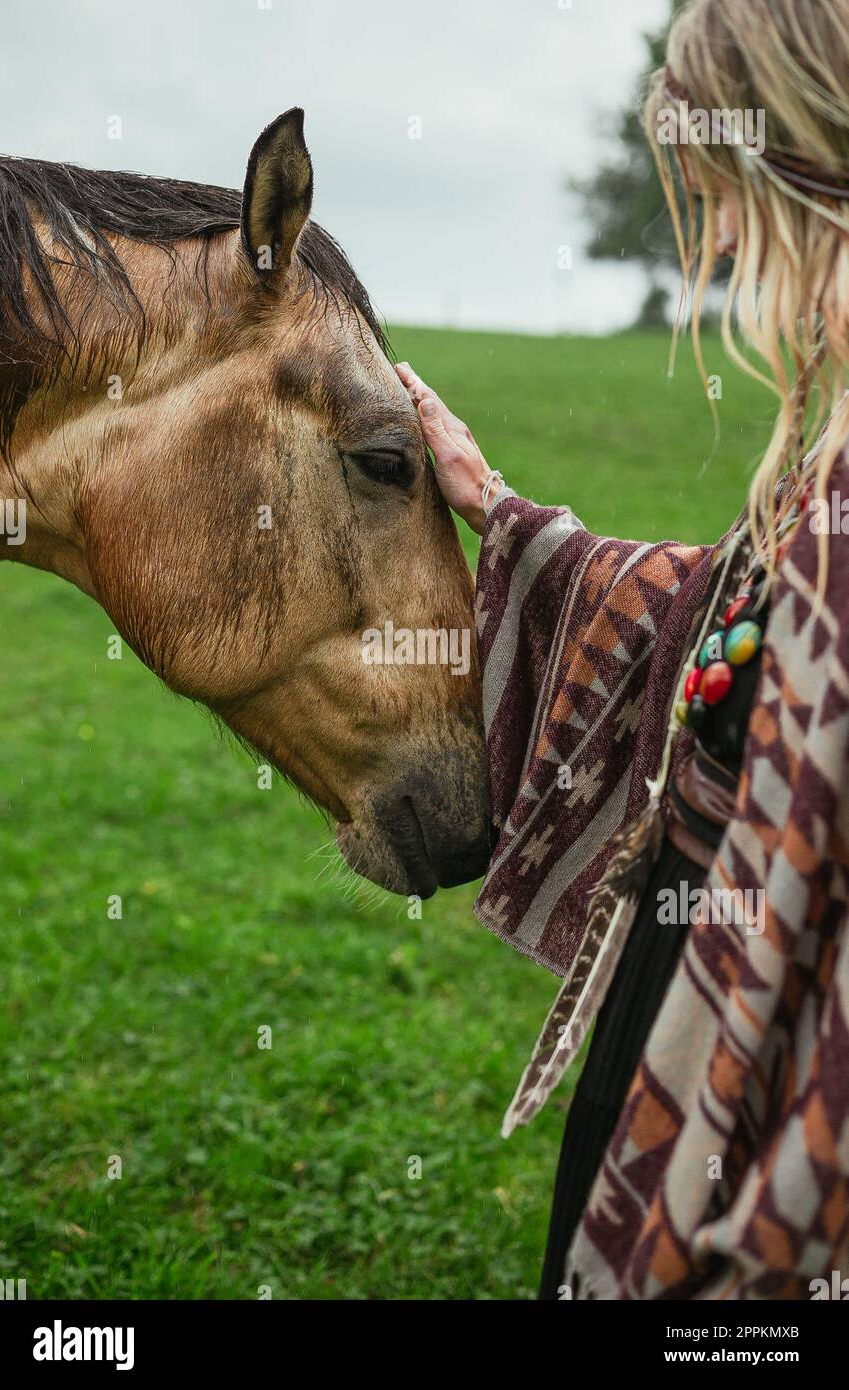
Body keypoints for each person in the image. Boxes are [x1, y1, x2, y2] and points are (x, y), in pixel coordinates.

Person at [395, 0, 849, 1300]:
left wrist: (774, 1233)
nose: (712, 250)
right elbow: (733, 625)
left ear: (799, 174)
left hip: (764, 1082)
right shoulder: (821, 455)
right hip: (687, 996)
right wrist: (504, 516)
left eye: (723, 203)